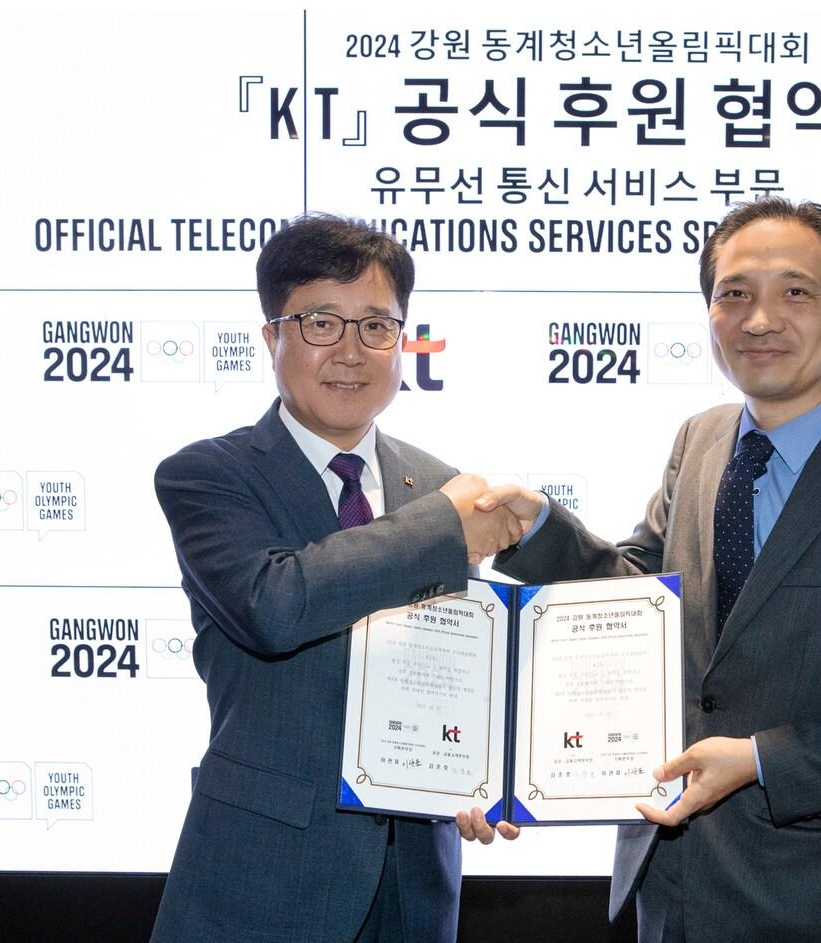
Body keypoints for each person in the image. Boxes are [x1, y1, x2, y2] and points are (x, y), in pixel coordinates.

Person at [465, 198, 821, 942]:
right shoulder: (701, 439)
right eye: (735, 294)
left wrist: (761, 760)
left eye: (795, 292)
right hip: (669, 886)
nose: (760, 319)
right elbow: (644, 600)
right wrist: (537, 529)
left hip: (817, 901)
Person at [149, 214, 520, 943]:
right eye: (321, 322)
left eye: (377, 326)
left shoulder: (438, 485)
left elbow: (453, 662)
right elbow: (274, 605)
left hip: (415, 884)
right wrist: (442, 528)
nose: (351, 351)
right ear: (272, 338)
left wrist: (488, 773)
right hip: (262, 880)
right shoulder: (208, 475)